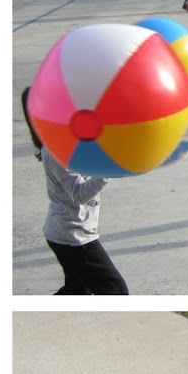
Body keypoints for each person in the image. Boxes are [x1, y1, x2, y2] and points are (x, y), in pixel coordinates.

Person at [21, 88, 130, 295]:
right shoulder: (55, 152)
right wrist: (107, 171)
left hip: (71, 232)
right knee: (116, 292)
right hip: (72, 236)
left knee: (77, 290)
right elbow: (79, 194)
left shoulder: (69, 141)